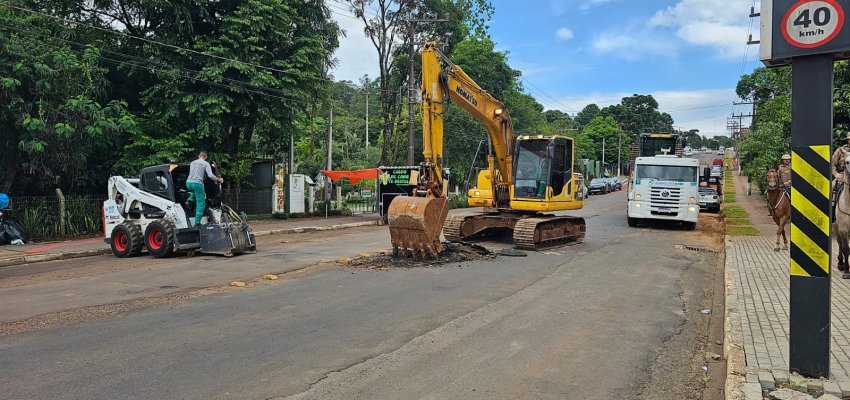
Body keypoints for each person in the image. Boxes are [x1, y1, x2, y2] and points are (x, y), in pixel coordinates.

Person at [186, 151, 223, 225]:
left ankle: (189, 201)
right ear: (206, 157)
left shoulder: (192, 162)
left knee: (195, 191)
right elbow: (210, 175)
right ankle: (197, 223)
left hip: (188, 183)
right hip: (197, 184)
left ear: (199, 156)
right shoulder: (206, 163)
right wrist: (219, 179)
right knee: (201, 204)